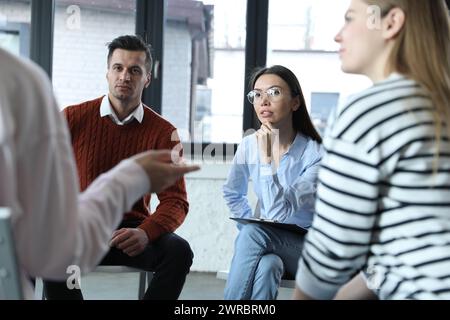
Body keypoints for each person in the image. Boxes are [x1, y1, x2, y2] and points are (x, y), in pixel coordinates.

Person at [0, 47, 199, 300]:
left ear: (147, 78)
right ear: (107, 73)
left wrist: (146, 232)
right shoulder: (72, 117)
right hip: (76, 224)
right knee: (47, 244)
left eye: (135, 70)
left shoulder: (163, 131)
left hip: (132, 231)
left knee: (178, 252)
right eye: (118, 68)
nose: (125, 77)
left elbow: (176, 201)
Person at [294, 0, 450, 300]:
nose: (339, 35)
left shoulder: (371, 112)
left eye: (350, 19)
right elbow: (412, 245)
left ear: (391, 23)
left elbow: (331, 252)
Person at [223, 65, 323, 300]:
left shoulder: (316, 154)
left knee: (253, 234)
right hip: (269, 244)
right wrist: (249, 229)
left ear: (295, 103)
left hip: (310, 251)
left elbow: (280, 212)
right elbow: (231, 192)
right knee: (267, 265)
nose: (263, 101)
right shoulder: (249, 145)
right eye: (257, 94)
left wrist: (267, 160)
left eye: (274, 93)